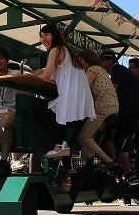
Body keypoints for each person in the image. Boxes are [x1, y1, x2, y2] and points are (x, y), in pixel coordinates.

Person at [36, 23, 96, 158]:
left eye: (46, 34)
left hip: (71, 97)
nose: (43, 39)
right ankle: (63, 146)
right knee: (59, 121)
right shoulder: (68, 52)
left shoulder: (55, 50)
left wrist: (29, 78)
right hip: (81, 100)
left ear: (54, 35)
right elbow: (53, 75)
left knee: (41, 114)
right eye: (41, 36)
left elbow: (46, 75)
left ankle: (58, 145)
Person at [99, 50, 139, 180]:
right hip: (136, 111)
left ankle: (113, 162)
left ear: (110, 61)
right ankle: (125, 171)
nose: (101, 65)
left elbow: (112, 90)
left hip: (129, 110)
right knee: (120, 139)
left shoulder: (116, 69)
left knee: (108, 131)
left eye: (102, 62)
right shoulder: (122, 70)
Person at [76, 50, 118, 170]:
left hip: (103, 108)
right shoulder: (102, 71)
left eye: (81, 61)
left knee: (83, 136)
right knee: (91, 136)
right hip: (112, 108)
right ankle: (88, 165)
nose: (80, 64)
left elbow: (82, 87)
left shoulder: (92, 69)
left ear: (88, 61)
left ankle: (107, 160)